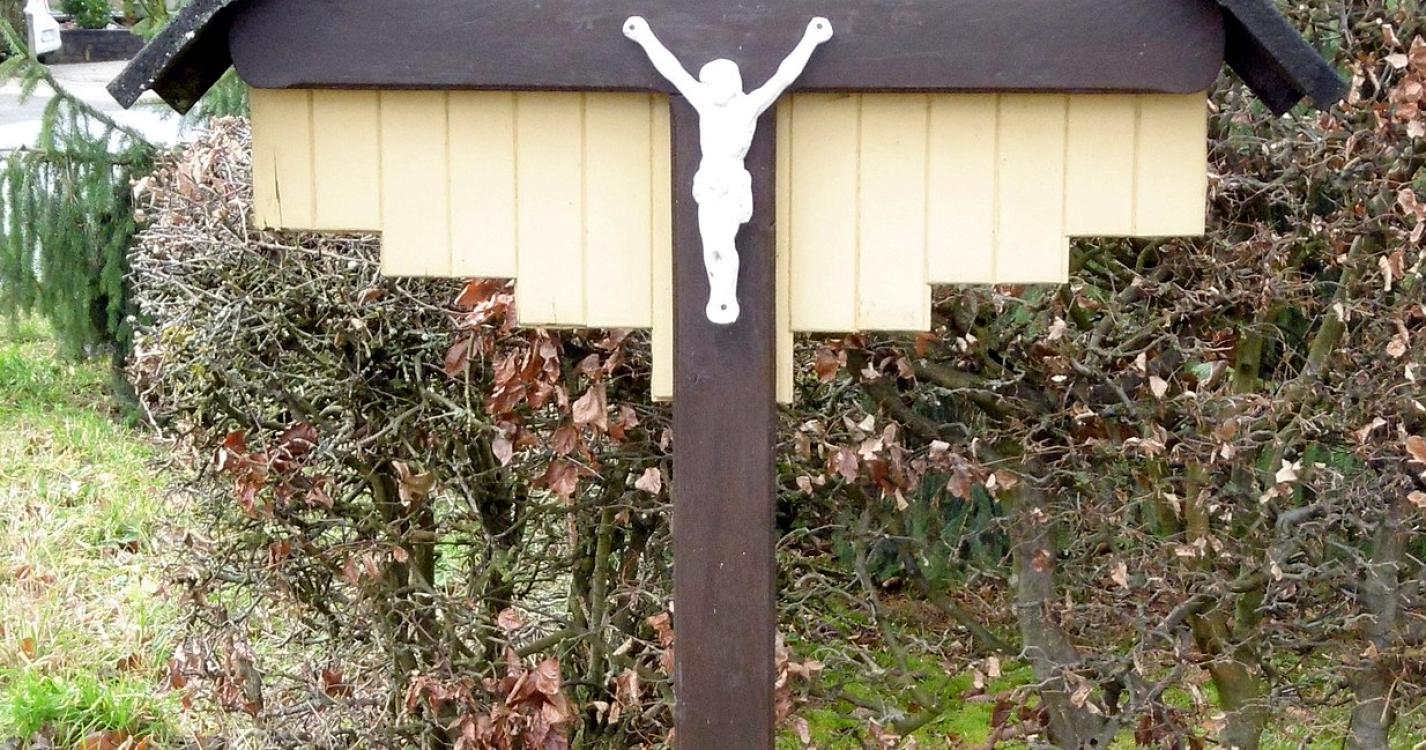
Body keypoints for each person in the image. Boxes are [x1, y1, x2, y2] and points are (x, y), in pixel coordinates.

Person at [624, 15, 834, 325]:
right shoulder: (705, 104)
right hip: (708, 182)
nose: (708, 89)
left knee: (723, 244)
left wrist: (810, 40)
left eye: (713, 84)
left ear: (730, 83)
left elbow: (785, 75)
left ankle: (727, 297)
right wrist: (644, 36)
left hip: (731, 183)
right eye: (706, 85)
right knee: (711, 247)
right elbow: (671, 69)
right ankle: (718, 295)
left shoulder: (749, 106)